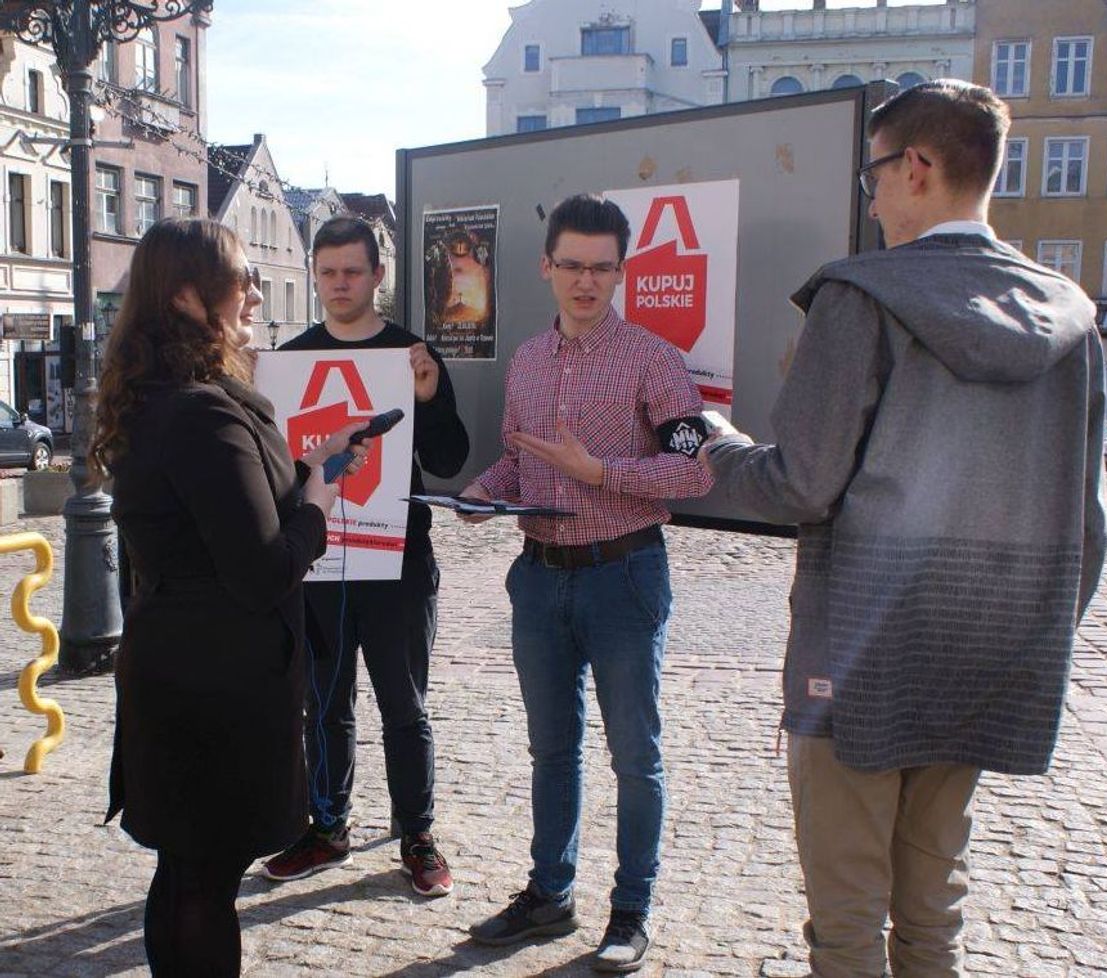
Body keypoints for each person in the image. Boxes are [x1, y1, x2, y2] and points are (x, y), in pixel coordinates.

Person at [702, 80, 1107, 978]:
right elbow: (1090, 535)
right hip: (982, 669)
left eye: (873, 175)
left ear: (916, 168)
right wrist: (1011, 640)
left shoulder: (862, 297)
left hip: (855, 664)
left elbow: (799, 484)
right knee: (934, 919)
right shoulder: (1074, 318)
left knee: (846, 925)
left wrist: (716, 446)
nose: (871, 195)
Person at [94, 218, 367, 977]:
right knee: (204, 883)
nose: (254, 292)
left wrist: (300, 470)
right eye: (241, 278)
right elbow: (261, 569)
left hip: (174, 668)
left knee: (184, 872)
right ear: (187, 294)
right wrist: (316, 501)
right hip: (216, 681)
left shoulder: (162, 400)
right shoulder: (204, 412)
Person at [462, 194, 713, 973]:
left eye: (602, 267)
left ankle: (630, 913)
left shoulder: (654, 359)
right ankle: (549, 895)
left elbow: (695, 469)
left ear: (621, 272)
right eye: (571, 264)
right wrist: (484, 491)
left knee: (635, 756)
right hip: (539, 581)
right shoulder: (529, 360)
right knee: (551, 751)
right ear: (547, 266)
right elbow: (519, 457)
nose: (585, 281)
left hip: (623, 579)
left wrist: (600, 471)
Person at [262, 216, 469, 897]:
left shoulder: (412, 354)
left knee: (403, 707)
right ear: (315, 275)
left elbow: (448, 459)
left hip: (399, 563)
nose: (340, 284)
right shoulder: (291, 360)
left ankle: (418, 835)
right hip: (319, 565)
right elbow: (276, 473)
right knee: (323, 705)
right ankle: (327, 827)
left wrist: (431, 396)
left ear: (378, 276)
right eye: (328, 272)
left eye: (353, 271)